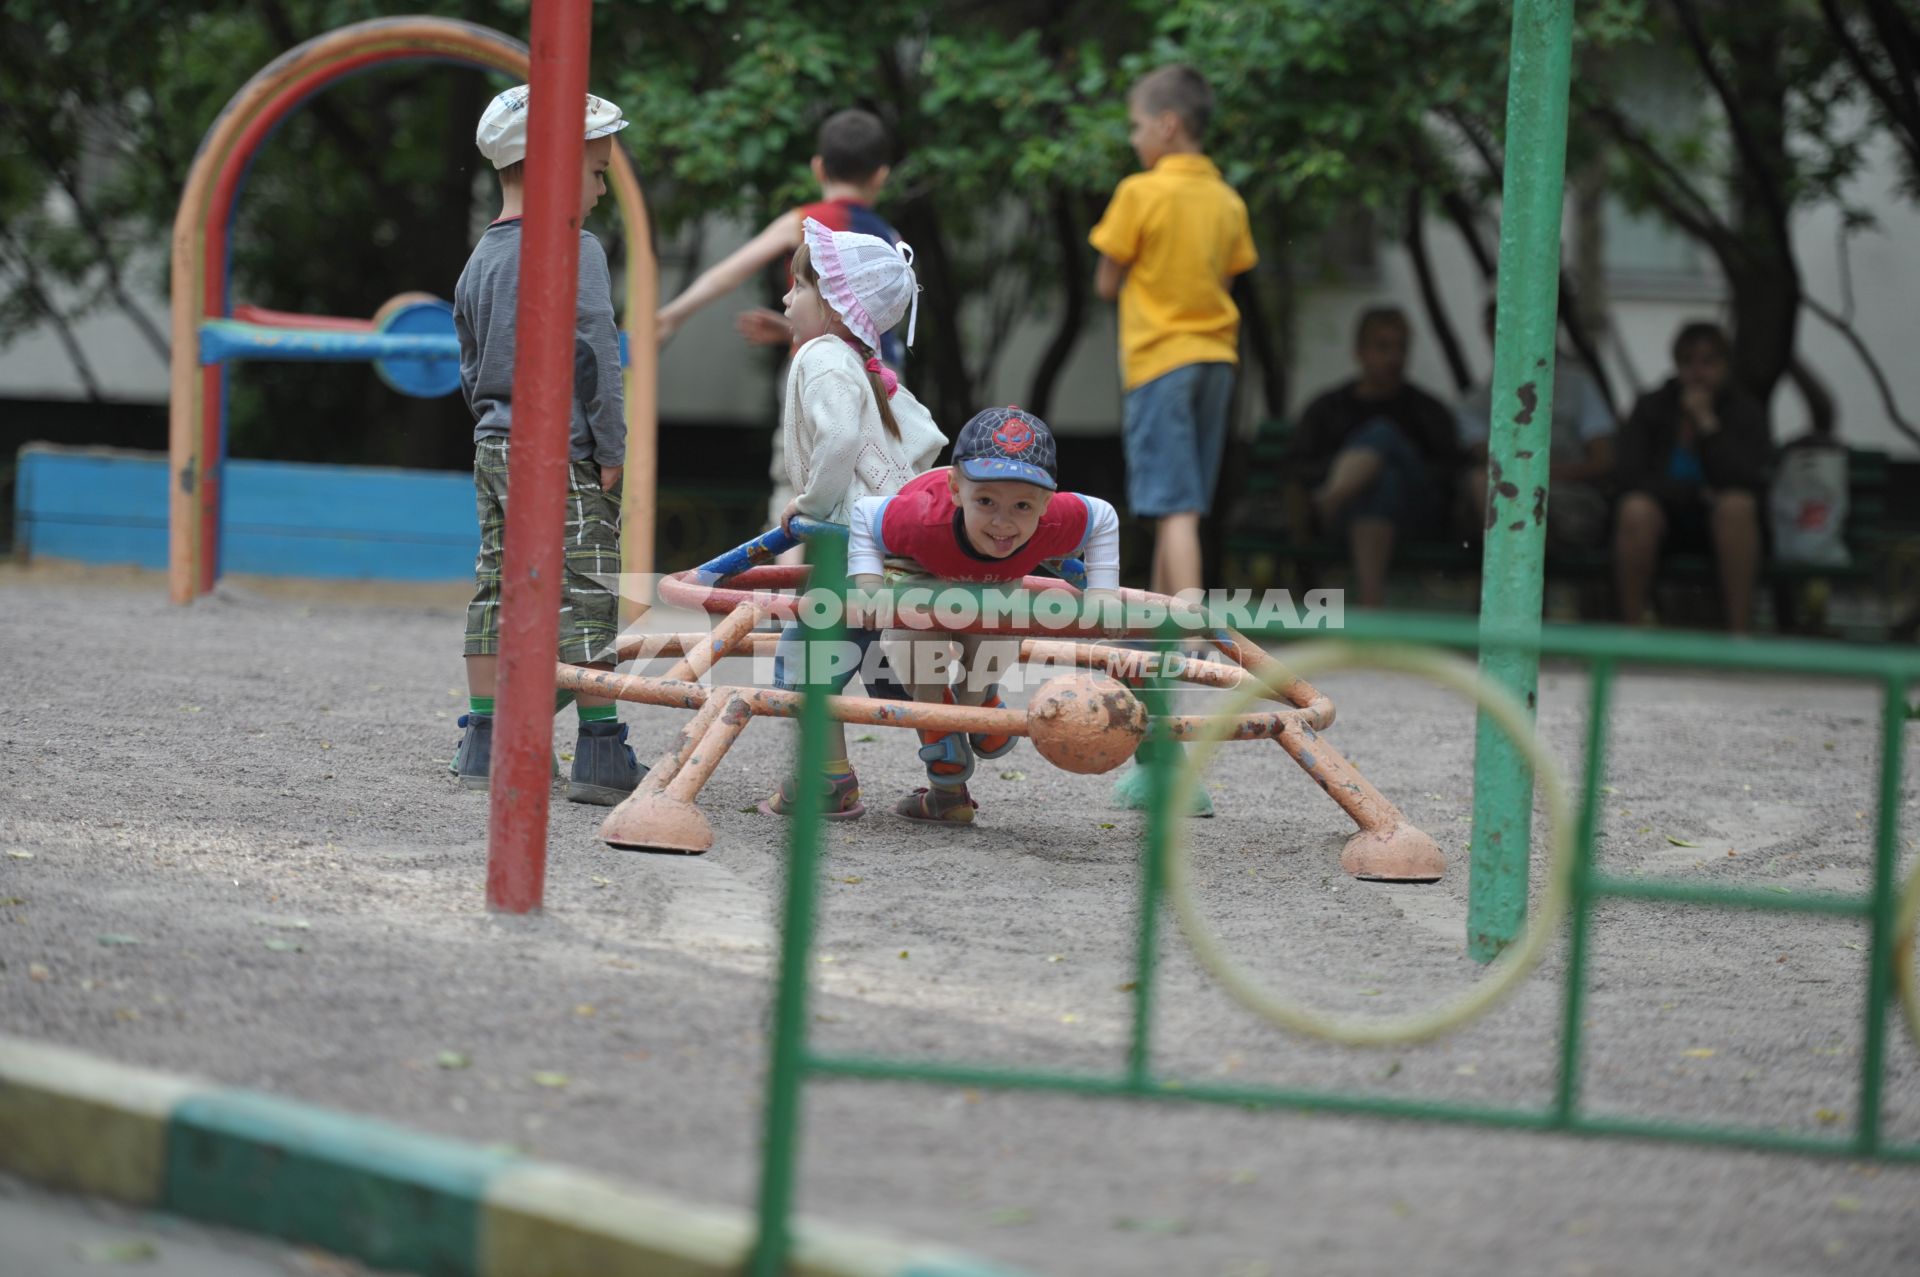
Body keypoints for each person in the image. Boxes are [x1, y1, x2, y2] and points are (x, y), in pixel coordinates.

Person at [450, 85, 645, 805]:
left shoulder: (480, 259)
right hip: (562, 449)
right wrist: (610, 442)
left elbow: (469, 356)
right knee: (588, 584)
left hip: (494, 445)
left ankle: (483, 737)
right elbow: (595, 347)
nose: (600, 188)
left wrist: (490, 415)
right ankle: (599, 748)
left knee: (498, 581)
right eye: (596, 172)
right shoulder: (575, 248)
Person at [843, 408, 1123, 825]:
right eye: (986, 500)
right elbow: (865, 514)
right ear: (956, 489)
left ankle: (980, 704)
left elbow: (1102, 517)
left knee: (998, 637)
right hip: (921, 569)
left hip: (994, 581)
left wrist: (1103, 594)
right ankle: (944, 746)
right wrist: (866, 587)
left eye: (1023, 506)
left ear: (1046, 504)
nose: (1002, 522)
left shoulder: (1052, 523)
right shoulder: (922, 518)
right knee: (917, 645)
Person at [759, 218, 947, 821]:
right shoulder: (866, 367)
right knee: (899, 668)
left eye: (798, 287)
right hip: (894, 548)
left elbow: (838, 438)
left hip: (851, 548)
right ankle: (950, 788)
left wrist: (811, 505)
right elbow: (926, 438)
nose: (787, 299)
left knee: (807, 661)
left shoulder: (822, 356)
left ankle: (828, 780)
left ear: (836, 305)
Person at [655, 109, 904, 537]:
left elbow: (728, 272)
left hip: (817, 372)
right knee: (870, 487)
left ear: (818, 167)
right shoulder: (889, 239)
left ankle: (785, 597)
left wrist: (667, 317)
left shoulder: (806, 221)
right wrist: (790, 325)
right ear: (881, 176)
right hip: (886, 381)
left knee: (796, 485)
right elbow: (865, 322)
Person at [1089, 64, 1257, 609]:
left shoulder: (1140, 192)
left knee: (1175, 507)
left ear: (1167, 125)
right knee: (1179, 507)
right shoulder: (1227, 201)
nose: (1133, 138)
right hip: (1215, 360)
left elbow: (1106, 281)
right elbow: (1227, 277)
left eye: (1136, 126)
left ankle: (1184, 635)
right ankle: (1158, 632)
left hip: (1160, 362)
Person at [1286, 307, 1460, 608]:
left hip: (1416, 520)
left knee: (1383, 435)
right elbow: (1298, 466)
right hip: (1345, 521)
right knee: (1383, 484)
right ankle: (1371, 606)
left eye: (1401, 347)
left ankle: (1330, 498)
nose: (1393, 358)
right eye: (1383, 347)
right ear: (1360, 352)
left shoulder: (1426, 410)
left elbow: (1448, 473)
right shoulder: (1329, 408)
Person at [1613, 321, 1770, 633]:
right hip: (1663, 521)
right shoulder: (1653, 407)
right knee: (1636, 510)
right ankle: (1630, 632)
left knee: (1737, 507)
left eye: (1709, 361)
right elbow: (1628, 474)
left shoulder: (1744, 411)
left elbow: (1746, 479)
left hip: (1722, 526)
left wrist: (1708, 425)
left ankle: (1739, 635)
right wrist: (1692, 493)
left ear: (1725, 365)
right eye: (1688, 362)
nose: (1698, 372)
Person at [1456, 297, 1614, 552]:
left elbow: (1603, 460)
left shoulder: (1579, 386)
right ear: (1489, 330)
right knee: (1482, 484)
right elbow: (1493, 467)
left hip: (1571, 504)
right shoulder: (1473, 405)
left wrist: (1542, 477)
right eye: (1505, 324)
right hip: (1503, 505)